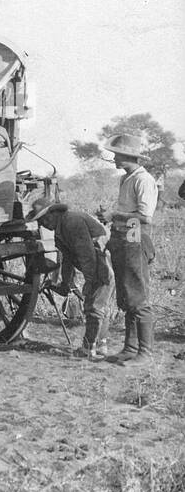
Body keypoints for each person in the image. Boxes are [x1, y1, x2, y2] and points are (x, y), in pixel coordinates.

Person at [27, 198, 111, 358]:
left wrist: (90, 282)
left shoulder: (72, 222)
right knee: (99, 304)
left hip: (103, 263)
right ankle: (100, 345)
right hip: (97, 264)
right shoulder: (59, 231)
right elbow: (67, 259)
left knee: (94, 305)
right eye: (41, 221)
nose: (44, 223)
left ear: (55, 213)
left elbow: (87, 255)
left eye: (46, 218)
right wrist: (66, 283)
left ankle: (89, 348)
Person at [103, 133, 158, 364]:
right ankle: (130, 348)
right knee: (127, 295)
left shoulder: (143, 180)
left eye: (117, 155)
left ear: (128, 156)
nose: (114, 159)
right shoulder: (126, 178)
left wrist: (115, 215)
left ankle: (145, 353)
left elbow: (145, 217)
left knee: (138, 296)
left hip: (135, 238)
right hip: (124, 238)